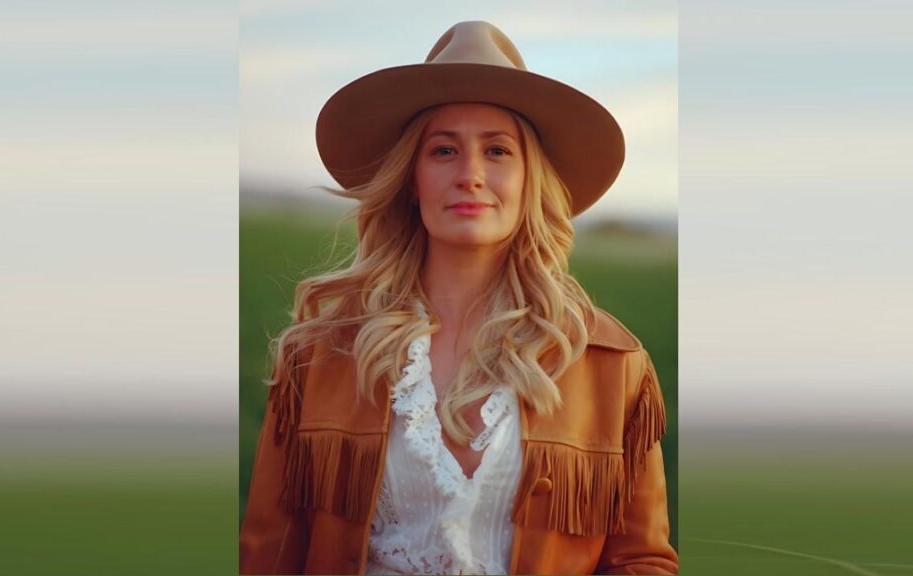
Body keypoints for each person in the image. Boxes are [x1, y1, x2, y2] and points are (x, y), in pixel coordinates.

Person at [240, 21, 678, 575]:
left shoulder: (612, 365)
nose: (470, 174)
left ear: (529, 181)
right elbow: (267, 556)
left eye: (497, 151)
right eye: (444, 150)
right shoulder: (319, 356)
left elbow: (641, 560)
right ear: (410, 178)